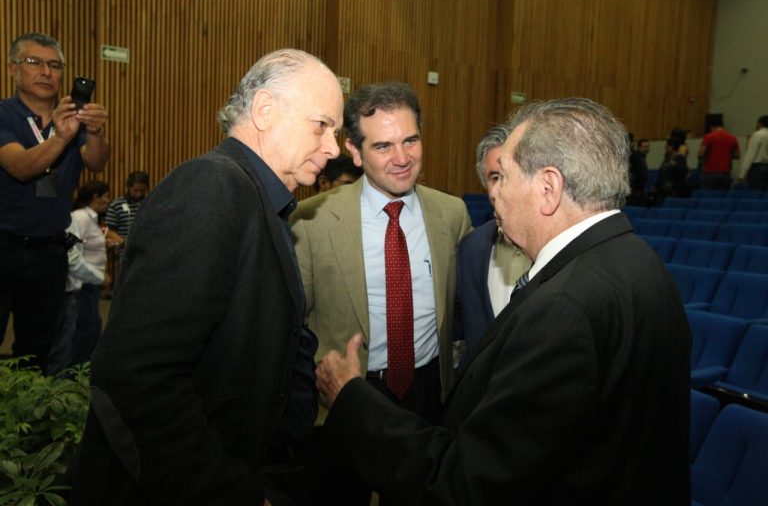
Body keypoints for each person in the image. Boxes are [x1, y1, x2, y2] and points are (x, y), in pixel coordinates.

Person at [316, 97, 691, 505]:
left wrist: (350, 397)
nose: (494, 194)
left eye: (504, 177)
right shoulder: (640, 261)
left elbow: (466, 484)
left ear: (548, 188)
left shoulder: (563, 309)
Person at [71, 48, 344, 505]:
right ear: (264, 111)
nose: (334, 148)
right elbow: (139, 379)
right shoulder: (211, 189)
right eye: (322, 125)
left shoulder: (256, 197)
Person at [291, 82, 471, 504]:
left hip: (427, 394)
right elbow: (292, 325)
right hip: (344, 397)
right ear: (353, 151)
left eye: (411, 140)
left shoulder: (452, 214)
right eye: (384, 146)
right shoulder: (311, 222)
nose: (403, 158)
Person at [0, 32, 109, 372]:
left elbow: (97, 162)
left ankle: (28, 422)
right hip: (3, 246)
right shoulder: (5, 115)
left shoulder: (71, 118)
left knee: (37, 347)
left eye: (55, 65)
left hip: (51, 252)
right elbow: (20, 167)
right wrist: (61, 137)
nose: (46, 71)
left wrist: (94, 131)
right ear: (13, 69)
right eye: (34, 62)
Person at [454, 124, 531, 367]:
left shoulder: (565, 249)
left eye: (511, 176)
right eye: (495, 177)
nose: (502, 190)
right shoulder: (471, 249)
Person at [48, 183, 111, 376]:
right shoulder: (78, 218)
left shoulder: (82, 218)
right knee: (80, 335)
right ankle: (74, 377)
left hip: (81, 283)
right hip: (78, 284)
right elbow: (72, 256)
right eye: (105, 196)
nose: (109, 200)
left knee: (85, 331)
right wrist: (99, 277)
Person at [105, 170, 149, 244]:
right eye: (136, 190)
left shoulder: (150, 204)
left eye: (142, 191)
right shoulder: (116, 205)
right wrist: (124, 244)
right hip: (124, 252)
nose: (139, 194)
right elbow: (109, 231)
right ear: (128, 187)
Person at [698, 115, 740, 190]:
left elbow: (701, 153)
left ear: (711, 127)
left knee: (709, 196)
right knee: (722, 197)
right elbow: (737, 155)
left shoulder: (708, 136)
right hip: (725, 173)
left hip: (710, 172)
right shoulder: (732, 137)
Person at [738, 115, 768, 191]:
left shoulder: (758, 134)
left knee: (757, 193)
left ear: (759, 124)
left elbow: (750, 155)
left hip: (758, 169)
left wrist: (742, 173)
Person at [626, 137, 649, 206]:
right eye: (645, 147)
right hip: (635, 192)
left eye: (648, 146)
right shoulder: (637, 158)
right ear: (639, 147)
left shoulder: (640, 157)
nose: (647, 149)